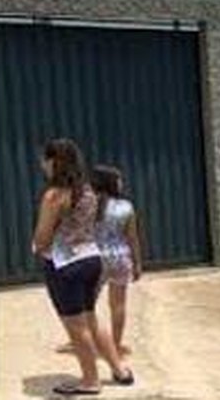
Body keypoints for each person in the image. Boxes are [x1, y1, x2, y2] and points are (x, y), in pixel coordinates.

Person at [32, 139, 134, 395]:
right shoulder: (87, 191)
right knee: (91, 319)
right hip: (91, 260)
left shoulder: (54, 195)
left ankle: (90, 381)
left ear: (55, 161)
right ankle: (120, 370)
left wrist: (37, 245)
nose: (42, 165)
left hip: (64, 265)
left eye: (44, 160)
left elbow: (43, 237)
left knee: (76, 327)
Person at [91, 165, 142, 355]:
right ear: (112, 183)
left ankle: (92, 340)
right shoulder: (126, 207)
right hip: (120, 257)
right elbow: (132, 238)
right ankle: (116, 344)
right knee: (118, 305)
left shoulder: (89, 205)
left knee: (87, 304)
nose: (122, 183)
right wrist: (137, 263)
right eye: (119, 179)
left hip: (95, 258)